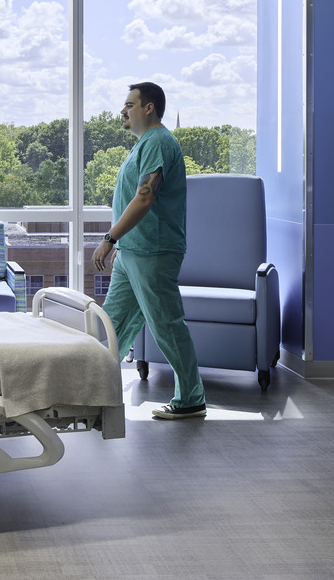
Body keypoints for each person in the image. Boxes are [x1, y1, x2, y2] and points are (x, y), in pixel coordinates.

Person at [92, 82, 206, 420]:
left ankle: (191, 399)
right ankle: (94, 390)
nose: (122, 111)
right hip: (133, 251)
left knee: (166, 324)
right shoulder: (144, 144)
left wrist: (110, 238)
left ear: (149, 108)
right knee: (113, 324)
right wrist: (122, 243)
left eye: (129, 104)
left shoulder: (157, 142)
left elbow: (144, 198)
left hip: (153, 251)